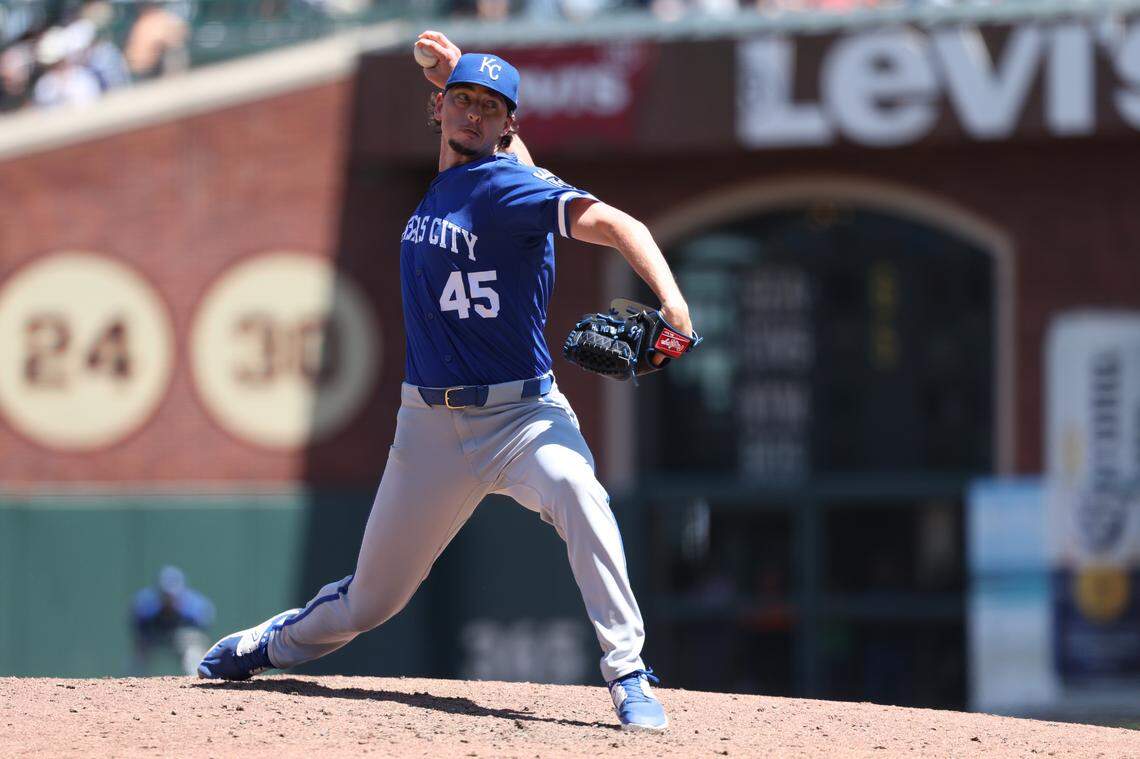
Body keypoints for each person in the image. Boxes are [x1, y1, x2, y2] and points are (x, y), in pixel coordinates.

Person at [197, 30, 696, 733]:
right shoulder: (450, 175)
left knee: (582, 495)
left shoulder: (513, 186)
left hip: (523, 416)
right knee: (370, 603)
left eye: (489, 107)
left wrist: (672, 303)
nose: (472, 114)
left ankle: (626, 670)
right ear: (438, 109)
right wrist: (453, 66)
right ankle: (265, 645)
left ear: (509, 124)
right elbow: (466, 152)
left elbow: (618, 222)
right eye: (462, 101)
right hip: (427, 428)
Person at [132, 566, 216, 675]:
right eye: (166, 595)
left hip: (181, 638)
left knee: (193, 647)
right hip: (156, 636)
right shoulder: (148, 606)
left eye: (172, 595)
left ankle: (197, 678)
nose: (169, 599)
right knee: (140, 651)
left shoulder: (192, 605)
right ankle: (131, 685)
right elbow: (138, 623)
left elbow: (204, 623)